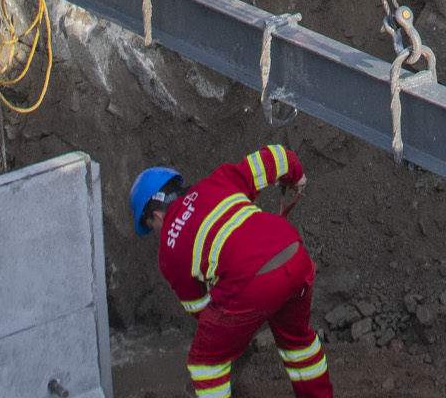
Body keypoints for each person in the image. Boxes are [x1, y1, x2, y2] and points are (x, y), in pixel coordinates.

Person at [132, 146, 335, 398]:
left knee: (205, 363)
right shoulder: (217, 181)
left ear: (155, 216)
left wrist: (232, 335)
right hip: (294, 255)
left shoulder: (168, 251)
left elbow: (201, 309)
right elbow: (275, 157)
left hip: (252, 282)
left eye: (150, 227)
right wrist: (296, 176)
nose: (155, 233)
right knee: (298, 343)